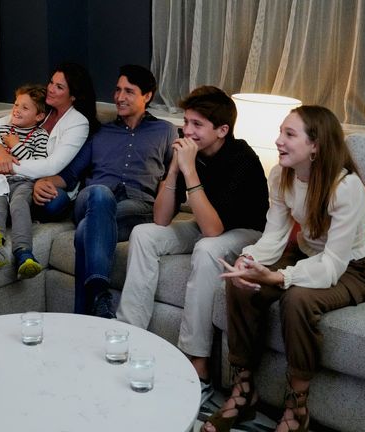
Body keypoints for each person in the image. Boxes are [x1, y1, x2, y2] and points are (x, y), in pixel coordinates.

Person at [202, 106, 365, 432]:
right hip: (307, 254)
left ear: (316, 145)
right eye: (280, 132)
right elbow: (274, 237)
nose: (278, 141)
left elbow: (331, 266)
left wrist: (279, 277)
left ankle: (297, 409)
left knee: (296, 299)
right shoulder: (281, 175)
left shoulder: (346, 188)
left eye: (289, 134)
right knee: (239, 282)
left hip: (351, 268)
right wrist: (250, 260)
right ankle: (244, 392)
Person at [115, 86, 269, 404]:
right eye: (186, 122)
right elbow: (160, 219)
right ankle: (129, 335)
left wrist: (188, 168)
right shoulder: (190, 154)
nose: (187, 131)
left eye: (197, 124)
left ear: (222, 130)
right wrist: (174, 168)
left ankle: (197, 365)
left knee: (207, 249)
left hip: (247, 233)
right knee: (144, 234)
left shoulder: (242, 159)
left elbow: (212, 232)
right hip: (206, 226)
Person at [33, 65, 178, 318]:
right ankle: (100, 292)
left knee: (84, 232)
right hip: (91, 200)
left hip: (137, 209)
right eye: (118, 90)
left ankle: (84, 316)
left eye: (129, 92)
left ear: (148, 96)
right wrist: (40, 181)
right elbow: (70, 176)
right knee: (100, 193)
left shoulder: (165, 131)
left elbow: (174, 180)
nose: (120, 97)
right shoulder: (100, 131)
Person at [0, 62, 99, 220]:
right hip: (7, 181)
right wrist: (1, 153)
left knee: (55, 203)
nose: (50, 89)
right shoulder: (42, 106)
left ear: (73, 96)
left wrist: (4, 167)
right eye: (51, 82)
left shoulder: (78, 123)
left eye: (59, 87)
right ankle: (13, 213)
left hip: (40, 184)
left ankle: (0, 211)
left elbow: (52, 165)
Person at [0, 84, 50, 278]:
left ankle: (24, 253)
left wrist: (15, 145)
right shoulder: (3, 131)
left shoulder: (41, 136)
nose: (17, 110)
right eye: (16, 105)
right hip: (0, 182)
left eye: (25, 108)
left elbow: (37, 164)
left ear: (39, 116)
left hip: (24, 183)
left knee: (18, 205)